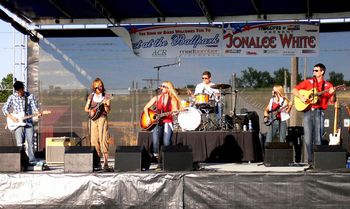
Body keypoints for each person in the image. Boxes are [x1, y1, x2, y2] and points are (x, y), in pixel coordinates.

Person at [292, 63, 335, 164]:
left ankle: (318, 161)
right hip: (307, 111)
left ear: (322, 72)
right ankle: (310, 160)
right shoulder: (308, 82)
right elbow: (294, 90)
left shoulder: (328, 85)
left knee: (318, 137)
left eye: (316, 70)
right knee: (307, 138)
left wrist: (333, 93)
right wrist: (301, 97)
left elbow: (332, 100)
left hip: (319, 112)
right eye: (313, 70)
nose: (313, 72)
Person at [2, 80, 42, 164]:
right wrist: (12, 117)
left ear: (23, 89)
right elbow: (4, 109)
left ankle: (32, 160)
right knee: (19, 143)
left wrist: (37, 113)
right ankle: (20, 161)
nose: (19, 94)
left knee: (30, 142)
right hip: (17, 123)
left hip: (28, 122)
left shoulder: (30, 96)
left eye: (20, 91)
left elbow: (35, 109)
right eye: (17, 92)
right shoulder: (12, 97)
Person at [143, 81, 180, 168]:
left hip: (167, 121)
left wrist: (175, 112)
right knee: (156, 141)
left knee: (166, 141)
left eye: (163, 86)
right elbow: (146, 107)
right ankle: (158, 160)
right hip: (156, 123)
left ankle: (166, 160)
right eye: (161, 86)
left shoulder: (173, 99)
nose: (161, 87)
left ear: (168, 89)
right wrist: (148, 118)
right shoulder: (157, 98)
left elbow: (175, 110)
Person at [84, 78, 111, 171]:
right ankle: (97, 161)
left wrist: (106, 105)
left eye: (100, 85)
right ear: (94, 87)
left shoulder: (106, 96)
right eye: (97, 86)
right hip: (93, 120)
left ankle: (106, 163)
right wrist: (91, 110)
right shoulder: (91, 96)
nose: (99, 87)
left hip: (102, 119)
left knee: (103, 139)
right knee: (94, 140)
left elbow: (108, 111)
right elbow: (86, 108)